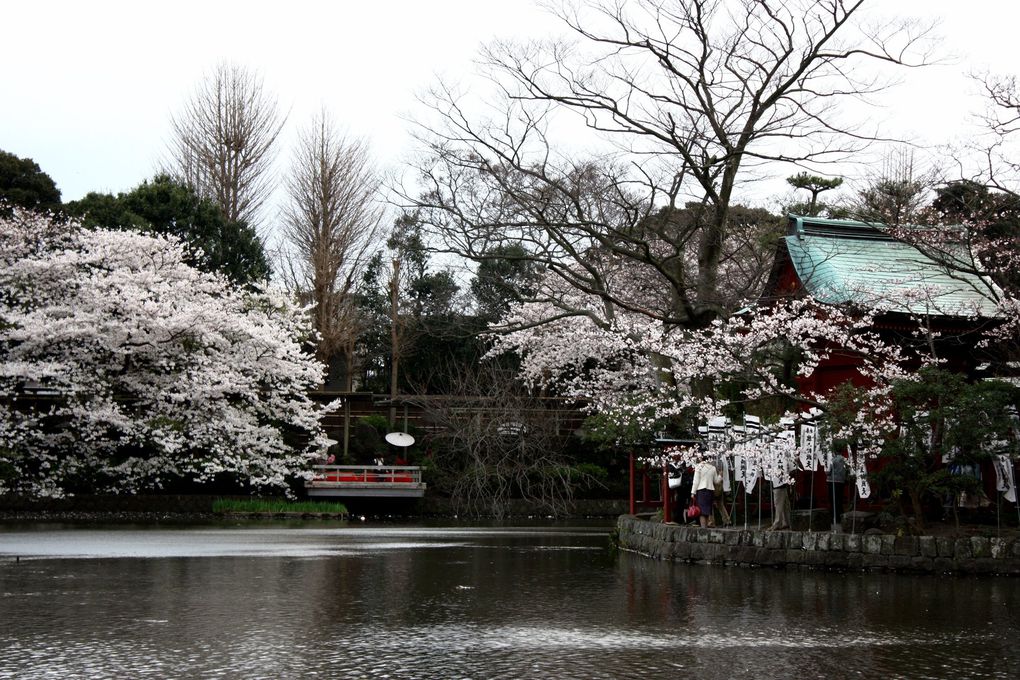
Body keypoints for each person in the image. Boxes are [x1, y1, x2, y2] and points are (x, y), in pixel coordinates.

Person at [690, 455, 717, 529]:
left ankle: (703, 529)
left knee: (701, 511)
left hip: (701, 490)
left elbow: (696, 481)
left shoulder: (699, 467)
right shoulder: (713, 468)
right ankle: (706, 528)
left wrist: (693, 492)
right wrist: (720, 476)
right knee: (707, 511)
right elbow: (716, 481)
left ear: (701, 458)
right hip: (710, 491)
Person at [828, 453, 847, 531]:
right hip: (841, 481)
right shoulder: (844, 459)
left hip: (832, 480)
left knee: (833, 500)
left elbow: (828, 471)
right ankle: (840, 518)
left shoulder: (832, 459)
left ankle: (834, 518)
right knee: (839, 500)